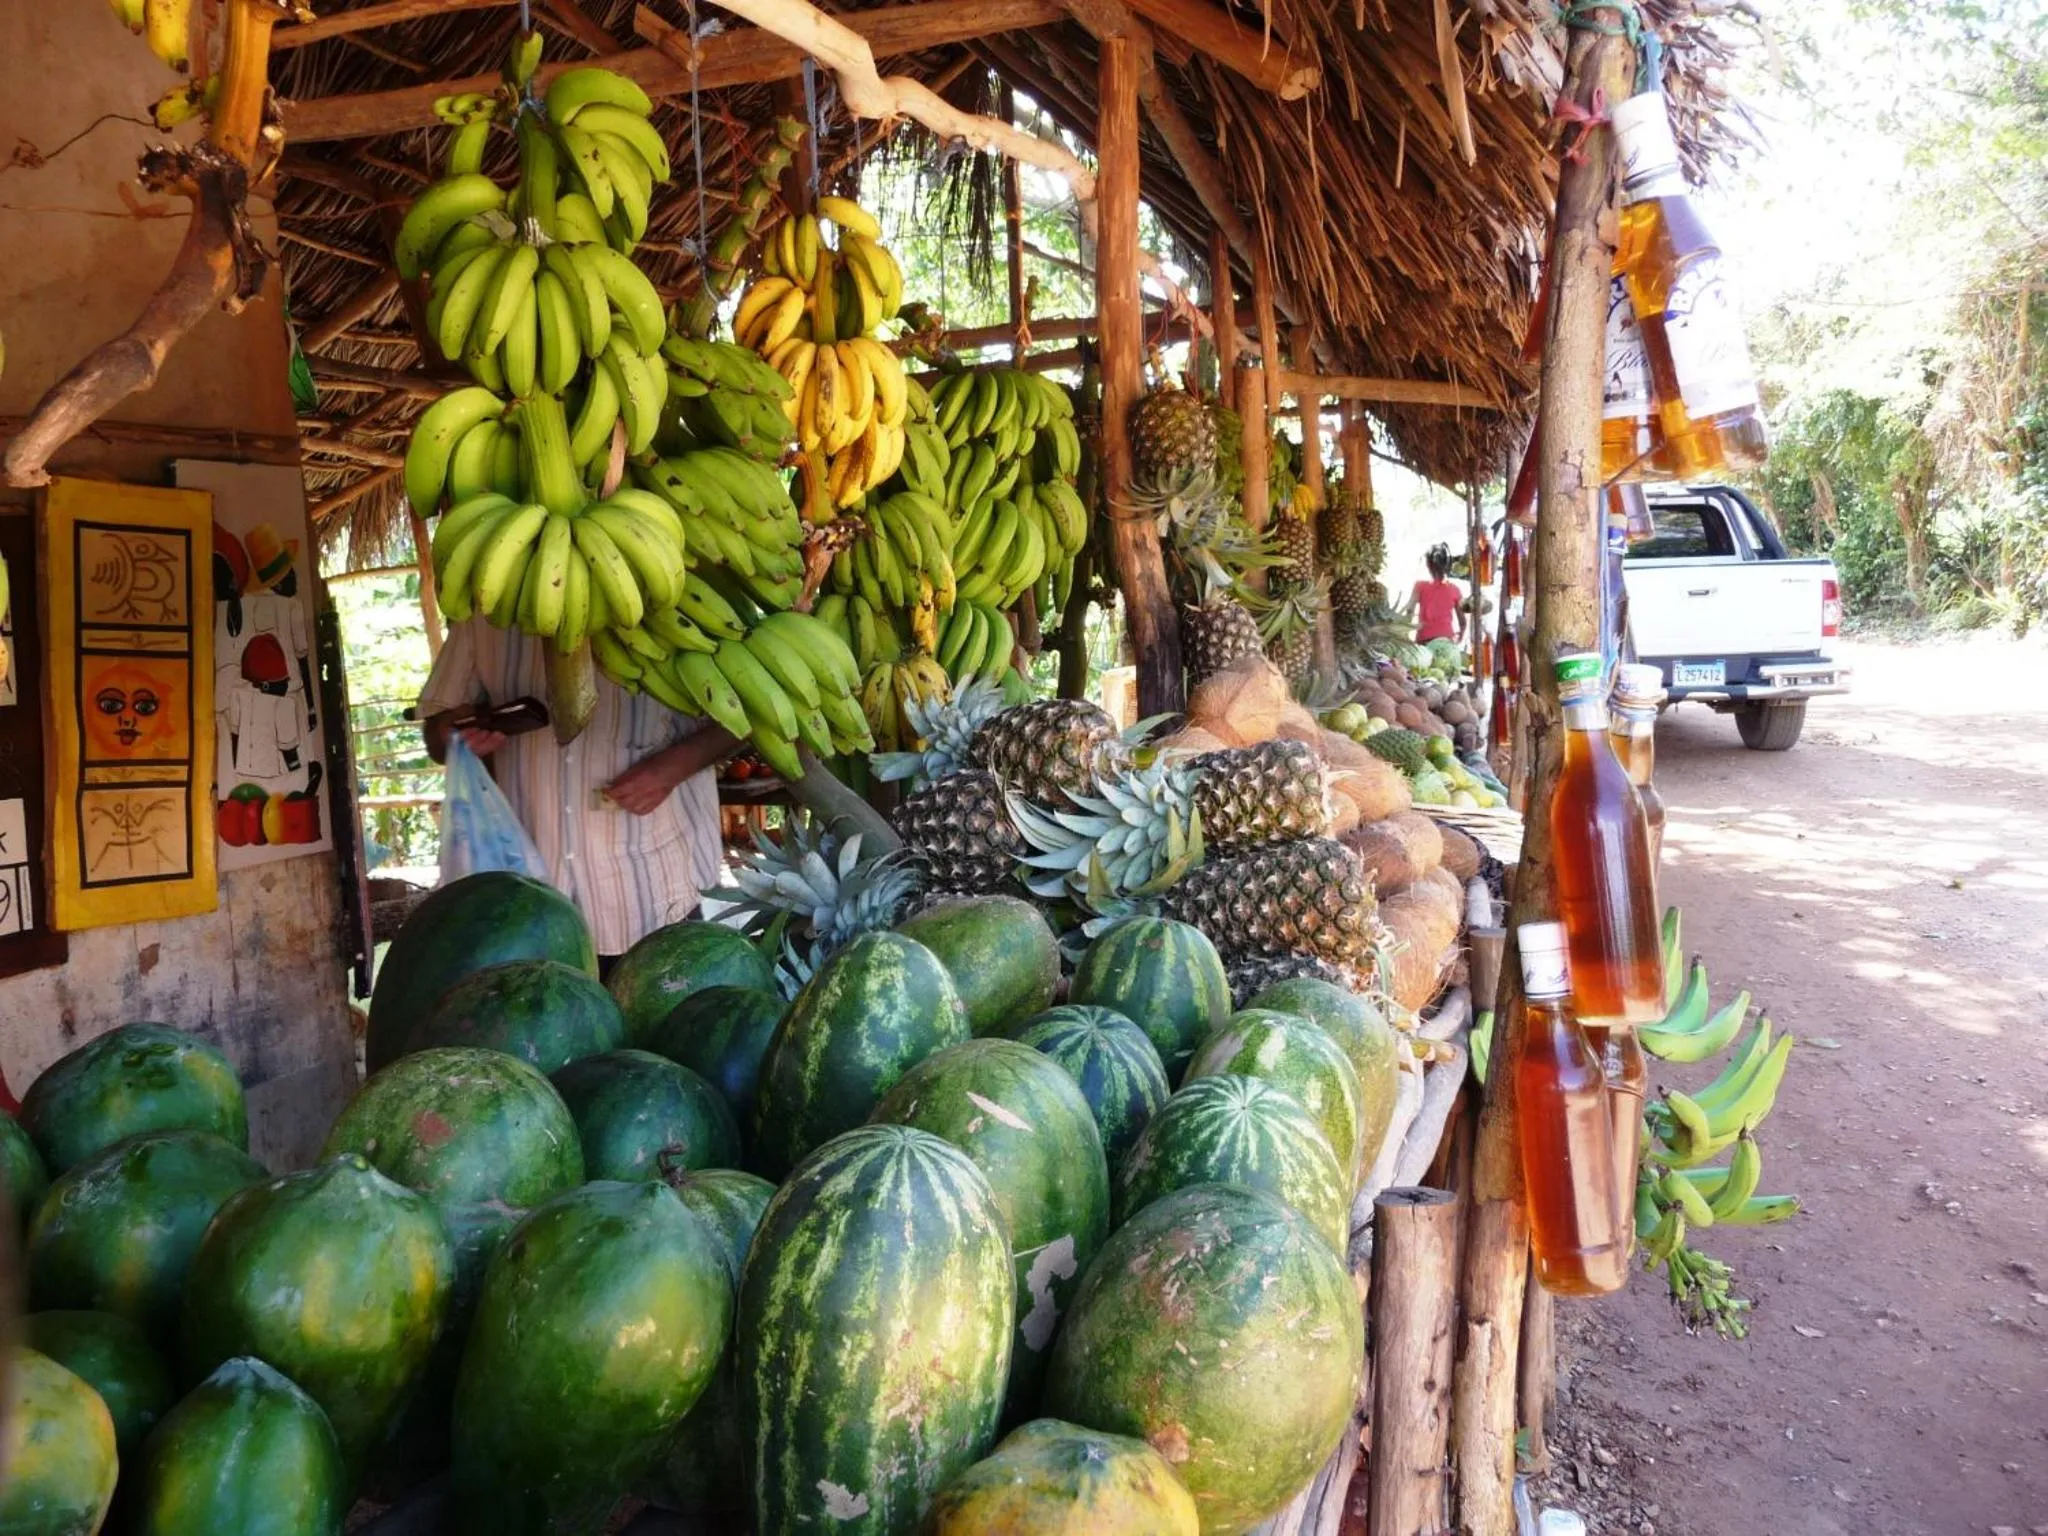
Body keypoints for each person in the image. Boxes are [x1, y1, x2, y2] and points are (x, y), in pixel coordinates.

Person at [419, 619, 738, 969]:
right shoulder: (485, 614)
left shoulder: (675, 604)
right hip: (533, 898)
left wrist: (674, 767)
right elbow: (436, 732)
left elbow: (743, 716)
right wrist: (452, 734)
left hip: (655, 888)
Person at [1411, 544, 1467, 645]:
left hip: (1424, 641)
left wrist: (1404, 634)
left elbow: (1409, 610)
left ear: (1428, 565)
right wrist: (1460, 637)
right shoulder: (1455, 589)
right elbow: (1463, 622)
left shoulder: (1419, 586)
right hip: (1446, 641)